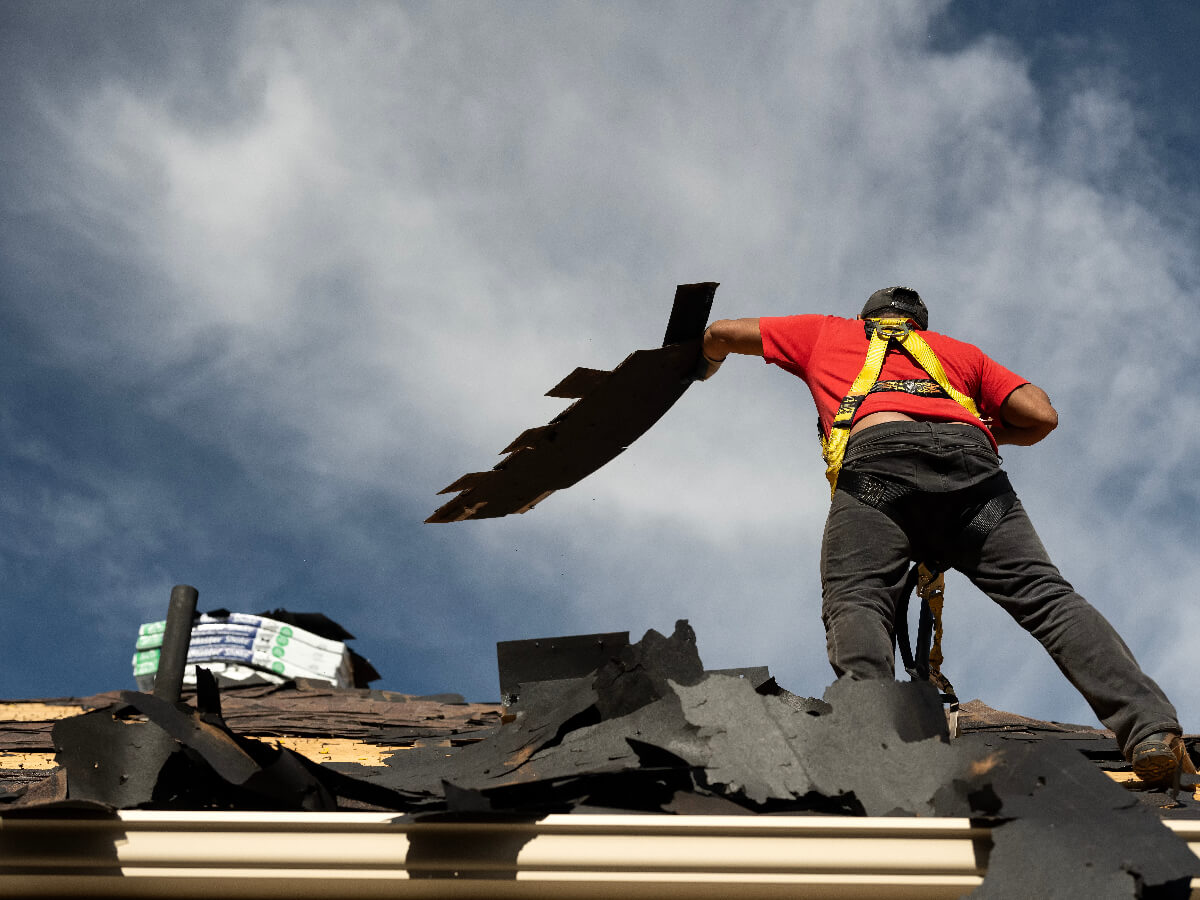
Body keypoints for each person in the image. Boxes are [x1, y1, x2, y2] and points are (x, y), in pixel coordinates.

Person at [698, 286, 1191, 784]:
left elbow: (722, 333)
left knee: (860, 598)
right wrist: (979, 427)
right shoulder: (960, 354)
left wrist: (705, 362)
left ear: (864, 318)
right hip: (974, 484)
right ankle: (1150, 729)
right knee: (1046, 597)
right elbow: (1041, 414)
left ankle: (872, 739)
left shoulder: (827, 332)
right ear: (920, 327)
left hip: (878, 477)